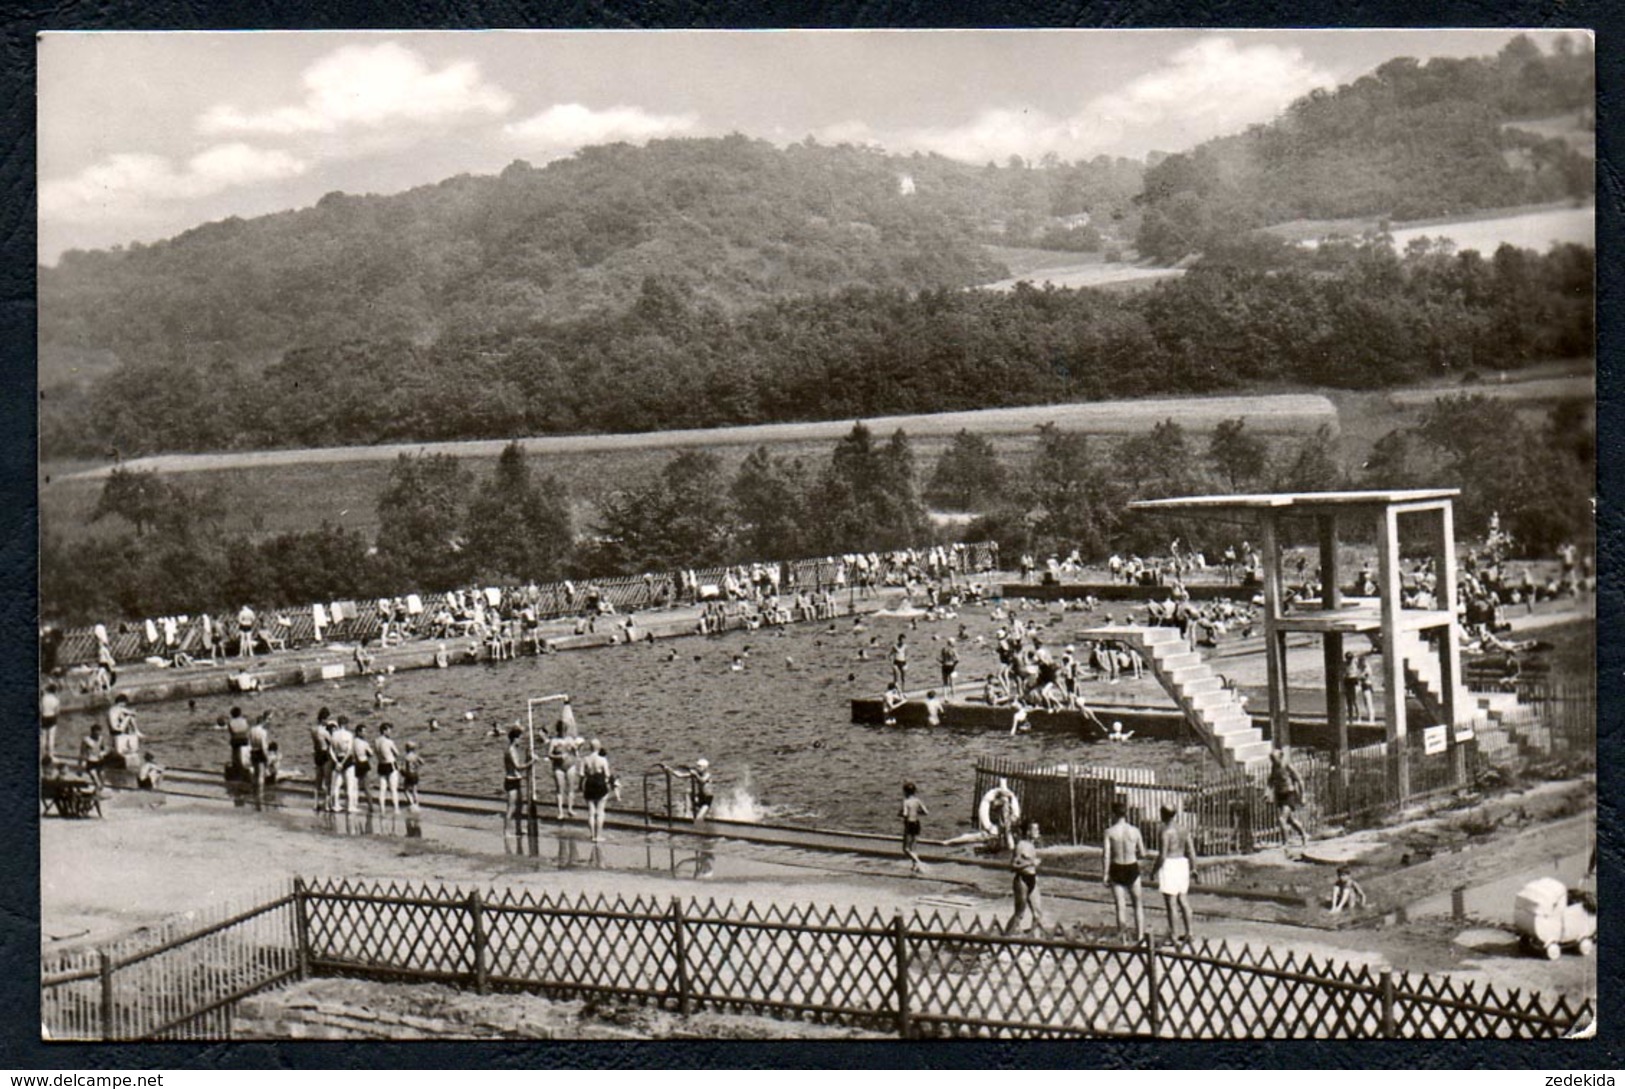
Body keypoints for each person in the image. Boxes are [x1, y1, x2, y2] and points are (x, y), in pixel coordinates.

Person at [1150, 804, 1197, 944]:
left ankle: (1174, 935)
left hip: (1170, 863)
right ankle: (1190, 933)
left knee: (1171, 903)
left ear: (1162, 814)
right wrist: (1194, 867)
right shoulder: (1184, 830)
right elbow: (1191, 851)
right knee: (1183, 900)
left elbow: (1163, 855)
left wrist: (1154, 870)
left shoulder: (1164, 831)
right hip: (1182, 863)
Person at [1103, 801, 1146, 942]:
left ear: (1113, 814)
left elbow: (1106, 855)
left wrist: (1105, 874)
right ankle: (1140, 937)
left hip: (1117, 867)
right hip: (1131, 866)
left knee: (1120, 906)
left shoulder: (1109, 832)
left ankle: (1123, 940)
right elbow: (1143, 853)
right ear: (1126, 813)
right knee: (1137, 904)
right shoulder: (1135, 831)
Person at [1005, 820, 1044, 934]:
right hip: (1022, 881)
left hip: (1032, 880)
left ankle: (1035, 943)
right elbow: (1012, 866)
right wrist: (1031, 863)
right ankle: (1005, 938)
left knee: (1037, 913)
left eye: (1038, 829)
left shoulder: (1032, 845)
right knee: (1020, 913)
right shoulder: (1021, 845)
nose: (1038, 832)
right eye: (1035, 829)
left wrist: (1035, 873)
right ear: (1028, 832)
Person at [1268, 749, 1310, 848]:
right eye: (1272, 759)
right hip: (1280, 794)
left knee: (1282, 819)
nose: (1273, 761)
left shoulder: (1287, 766)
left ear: (1280, 757)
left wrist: (1303, 796)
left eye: (1275, 759)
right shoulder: (1274, 767)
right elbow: (1270, 780)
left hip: (1289, 794)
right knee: (1290, 820)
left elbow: (1300, 780)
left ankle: (1286, 843)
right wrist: (1267, 793)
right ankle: (1304, 834)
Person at [579, 740, 612, 843]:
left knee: (591, 812)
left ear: (590, 748)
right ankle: (599, 835)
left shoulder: (585, 759)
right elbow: (607, 775)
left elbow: (581, 774)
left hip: (589, 784)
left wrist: (580, 786)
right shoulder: (602, 760)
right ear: (599, 747)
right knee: (600, 811)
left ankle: (592, 835)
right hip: (600, 784)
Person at [503, 725, 534, 835]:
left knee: (520, 806)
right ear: (515, 739)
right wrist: (531, 763)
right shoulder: (511, 751)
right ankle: (507, 831)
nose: (521, 741)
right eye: (520, 738)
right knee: (511, 807)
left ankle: (518, 828)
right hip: (511, 781)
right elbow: (518, 766)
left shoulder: (514, 750)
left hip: (516, 780)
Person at [899, 781, 928, 875]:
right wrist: (916, 813)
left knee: (906, 849)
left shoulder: (906, 801)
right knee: (914, 848)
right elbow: (925, 812)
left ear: (905, 792)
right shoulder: (917, 801)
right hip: (917, 823)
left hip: (909, 824)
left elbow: (905, 813)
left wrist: (900, 814)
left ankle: (919, 862)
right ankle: (915, 865)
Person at [328, 715, 355, 813]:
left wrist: (337, 762)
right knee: (349, 784)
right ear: (345, 724)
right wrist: (343, 762)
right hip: (346, 760)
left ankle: (336, 805)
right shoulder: (349, 735)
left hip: (337, 758)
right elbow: (349, 750)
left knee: (336, 785)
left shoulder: (334, 734)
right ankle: (350, 806)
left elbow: (330, 750)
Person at [310, 710, 334, 814]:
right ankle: (327, 805)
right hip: (325, 754)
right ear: (323, 719)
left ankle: (315, 803)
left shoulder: (313, 729)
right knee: (327, 780)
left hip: (317, 753)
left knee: (318, 780)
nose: (328, 721)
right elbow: (332, 741)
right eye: (327, 719)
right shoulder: (324, 732)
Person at [375, 721, 401, 814]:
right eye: (389, 730)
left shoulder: (376, 741)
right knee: (393, 789)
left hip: (381, 764)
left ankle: (382, 808)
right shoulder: (389, 741)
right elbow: (397, 753)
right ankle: (396, 808)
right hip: (390, 764)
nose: (390, 732)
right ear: (384, 730)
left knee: (382, 789)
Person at [247, 711, 271, 802]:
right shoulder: (263, 732)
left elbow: (249, 742)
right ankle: (260, 793)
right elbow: (263, 746)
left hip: (253, 751)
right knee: (261, 775)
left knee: (255, 773)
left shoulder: (251, 730)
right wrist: (267, 757)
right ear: (262, 722)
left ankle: (254, 790)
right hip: (260, 752)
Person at [351, 723, 375, 812]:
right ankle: (370, 805)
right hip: (363, 763)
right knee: (366, 787)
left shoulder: (352, 741)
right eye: (364, 731)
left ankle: (354, 803)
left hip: (355, 764)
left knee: (355, 786)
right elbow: (371, 753)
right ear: (358, 732)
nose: (365, 734)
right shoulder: (364, 743)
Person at [226, 705, 252, 779]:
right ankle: (243, 767)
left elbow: (231, 732)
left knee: (235, 754)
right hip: (244, 739)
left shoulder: (231, 722)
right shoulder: (244, 720)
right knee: (242, 753)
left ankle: (236, 768)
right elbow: (247, 729)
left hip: (235, 739)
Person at [40, 682, 60, 762]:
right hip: (52, 717)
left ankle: (41, 755)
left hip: (44, 717)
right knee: (51, 738)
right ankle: (51, 756)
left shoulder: (43, 698)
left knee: (43, 738)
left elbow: (40, 709)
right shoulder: (56, 699)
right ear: (55, 691)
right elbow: (57, 711)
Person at [401, 741, 423, 809]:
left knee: (406, 790)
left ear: (407, 749)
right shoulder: (416, 756)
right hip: (415, 774)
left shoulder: (406, 757)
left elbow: (402, 767)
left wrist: (401, 772)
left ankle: (411, 803)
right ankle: (417, 803)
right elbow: (422, 762)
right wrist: (417, 765)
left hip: (409, 775)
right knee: (414, 790)